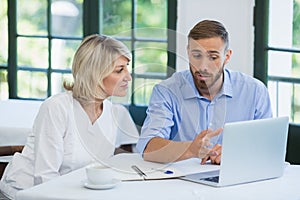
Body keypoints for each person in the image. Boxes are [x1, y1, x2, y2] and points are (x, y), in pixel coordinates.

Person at [0, 34, 135, 199]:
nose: (128, 77)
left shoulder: (112, 111)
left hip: (74, 193)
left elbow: (100, 169)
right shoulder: (57, 108)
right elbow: (44, 177)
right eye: (120, 70)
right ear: (96, 73)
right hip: (28, 192)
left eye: (127, 68)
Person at [136, 19, 272, 165]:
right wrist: (190, 149)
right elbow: (149, 148)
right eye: (196, 56)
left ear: (227, 56)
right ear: (188, 52)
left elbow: (269, 148)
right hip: (181, 182)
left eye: (213, 57)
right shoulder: (166, 91)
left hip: (238, 178)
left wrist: (234, 153)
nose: (202, 66)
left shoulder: (255, 91)